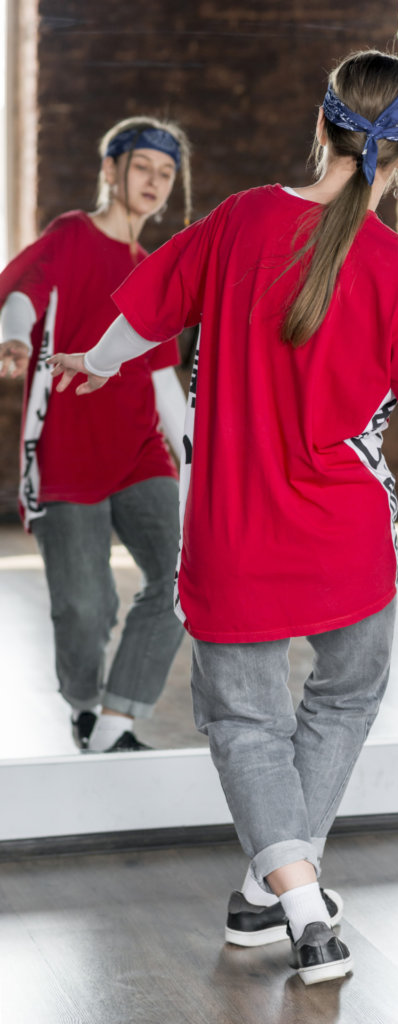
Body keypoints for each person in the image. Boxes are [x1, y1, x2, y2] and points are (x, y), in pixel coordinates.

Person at [48, 51, 398, 984]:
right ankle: (288, 896)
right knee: (343, 699)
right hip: (348, 544)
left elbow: (143, 315)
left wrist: (100, 361)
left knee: (243, 723)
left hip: (236, 537)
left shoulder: (236, 223)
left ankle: (286, 896)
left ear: (321, 128)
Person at [0, 116, 192, 752]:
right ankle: (83, 704)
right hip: (66, 456)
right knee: (85, 609)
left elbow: (165, 383)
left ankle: (115, 724)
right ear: (110, 170)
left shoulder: (157, 270)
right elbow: (24, 292)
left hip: (140, 455)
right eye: (143, 167)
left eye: (166, 174)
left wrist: (200, 461)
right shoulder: (71, 235)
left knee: (183, 576)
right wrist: (16, 338)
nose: (155, 182)